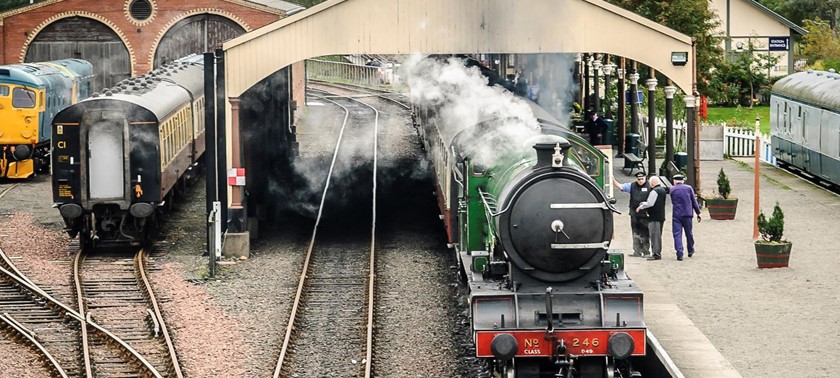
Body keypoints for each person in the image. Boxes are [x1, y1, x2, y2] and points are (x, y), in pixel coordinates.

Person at [612, 172, 651, 257]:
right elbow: (620, 186)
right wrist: (613, 180)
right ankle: (636, 251)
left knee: (645, 233)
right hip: (634, 214)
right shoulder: (632, 186)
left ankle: (646, 252)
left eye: (642, 179)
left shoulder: (650, 186)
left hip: (645, 214)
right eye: (638, 179)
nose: (640, 181)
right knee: (635, 233)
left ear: (645, 178)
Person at [669, 174, 701, 260]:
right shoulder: (688, 188)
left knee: (677, 234)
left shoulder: (672, 189)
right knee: (689, 233)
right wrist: (698, 212)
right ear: (683, 180)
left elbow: (673, 201)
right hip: (687, 214)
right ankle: (690, 250)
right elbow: (694, 202)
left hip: (676, 214)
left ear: (674, 181)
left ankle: (679, 253)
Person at [636, 176, 667, 260]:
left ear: (652, 183)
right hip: (660, 216)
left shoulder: (654, 191)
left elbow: (650, 203)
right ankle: (656, 252)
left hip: (654, 217)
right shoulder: (662, 190)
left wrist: (641, 207)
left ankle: (656, 254)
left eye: (650, 183)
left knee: (654, 236)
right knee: (657, 235)